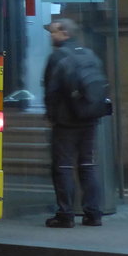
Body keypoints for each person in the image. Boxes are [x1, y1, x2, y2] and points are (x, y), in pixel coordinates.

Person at [42, 17, 104, 227]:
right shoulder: (90, 55)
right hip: (89, 119)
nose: (51, 36)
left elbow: (51, 91)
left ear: (65, 34)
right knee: (87, 165)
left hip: (66, 121)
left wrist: (51, 116)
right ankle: (93, 214)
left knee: (63, 167)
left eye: (54, 32)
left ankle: (65, 215)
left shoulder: (57, 57)